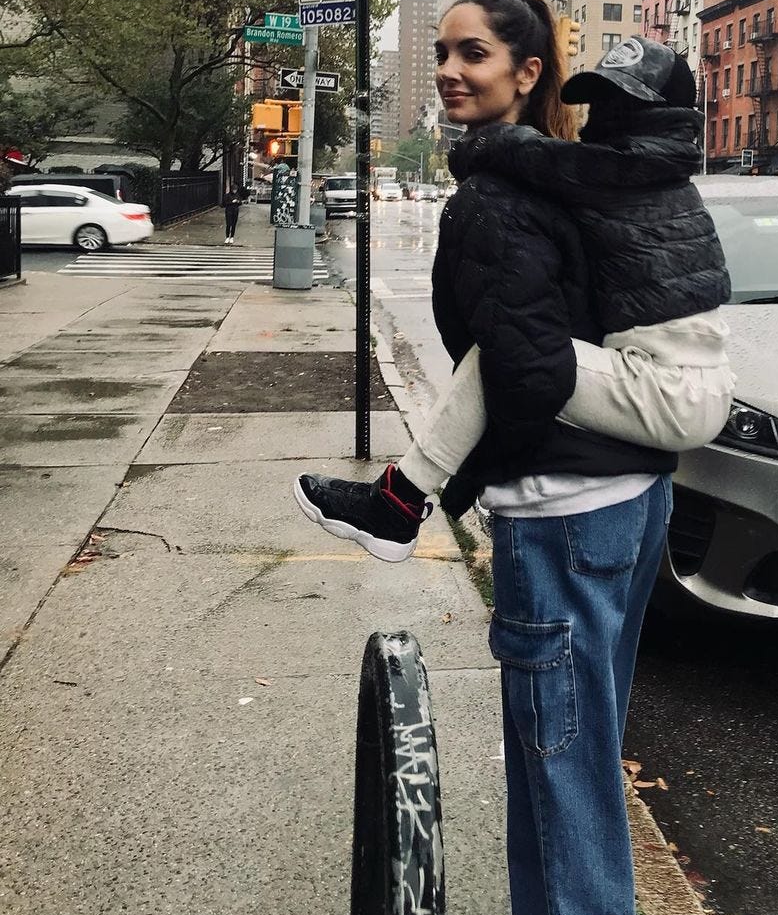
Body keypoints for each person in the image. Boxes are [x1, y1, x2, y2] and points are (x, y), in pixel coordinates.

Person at [297, 0, 727, 915]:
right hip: (632, 500)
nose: (451, 70)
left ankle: (399, 502)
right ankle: (402, 501)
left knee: (566, 805)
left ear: (524, 73)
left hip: (566, 517)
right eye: (442, 52)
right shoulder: (600, 181)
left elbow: (529, 364)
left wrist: (470, 465)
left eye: (473, 53)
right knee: (568, 785)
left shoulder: (517, 189)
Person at [295, 34, 733, 559]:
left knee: (505, 355)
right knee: (517, 349)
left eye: (627, 102)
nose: (607, 114)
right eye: (603, 98)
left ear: (665, 116)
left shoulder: (637, 171)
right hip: (679, 383)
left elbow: (544, 159)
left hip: (669, 391)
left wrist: (486, 143)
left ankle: (400, 502)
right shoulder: (646, 173)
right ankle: (405, 497)